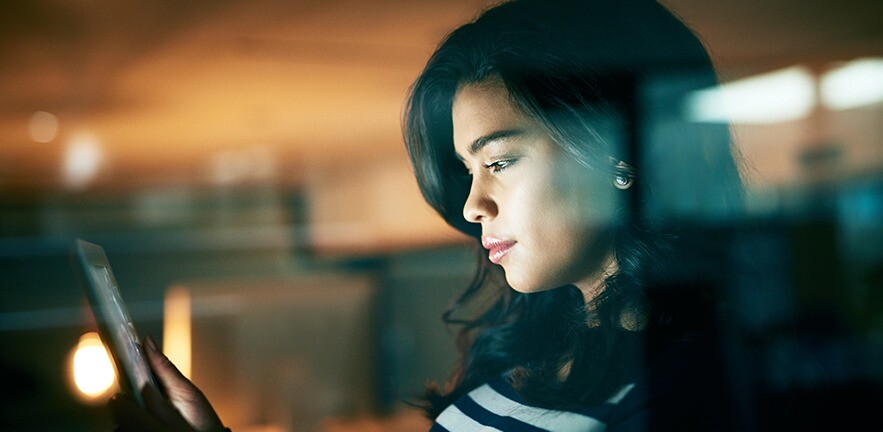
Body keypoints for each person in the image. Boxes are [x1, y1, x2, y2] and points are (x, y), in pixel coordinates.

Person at [110, 0, 756, 430]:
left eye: (499, 161)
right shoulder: (542, 342)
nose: (473, 205)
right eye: (468, 171)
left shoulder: (689, 388)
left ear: (617, 149)